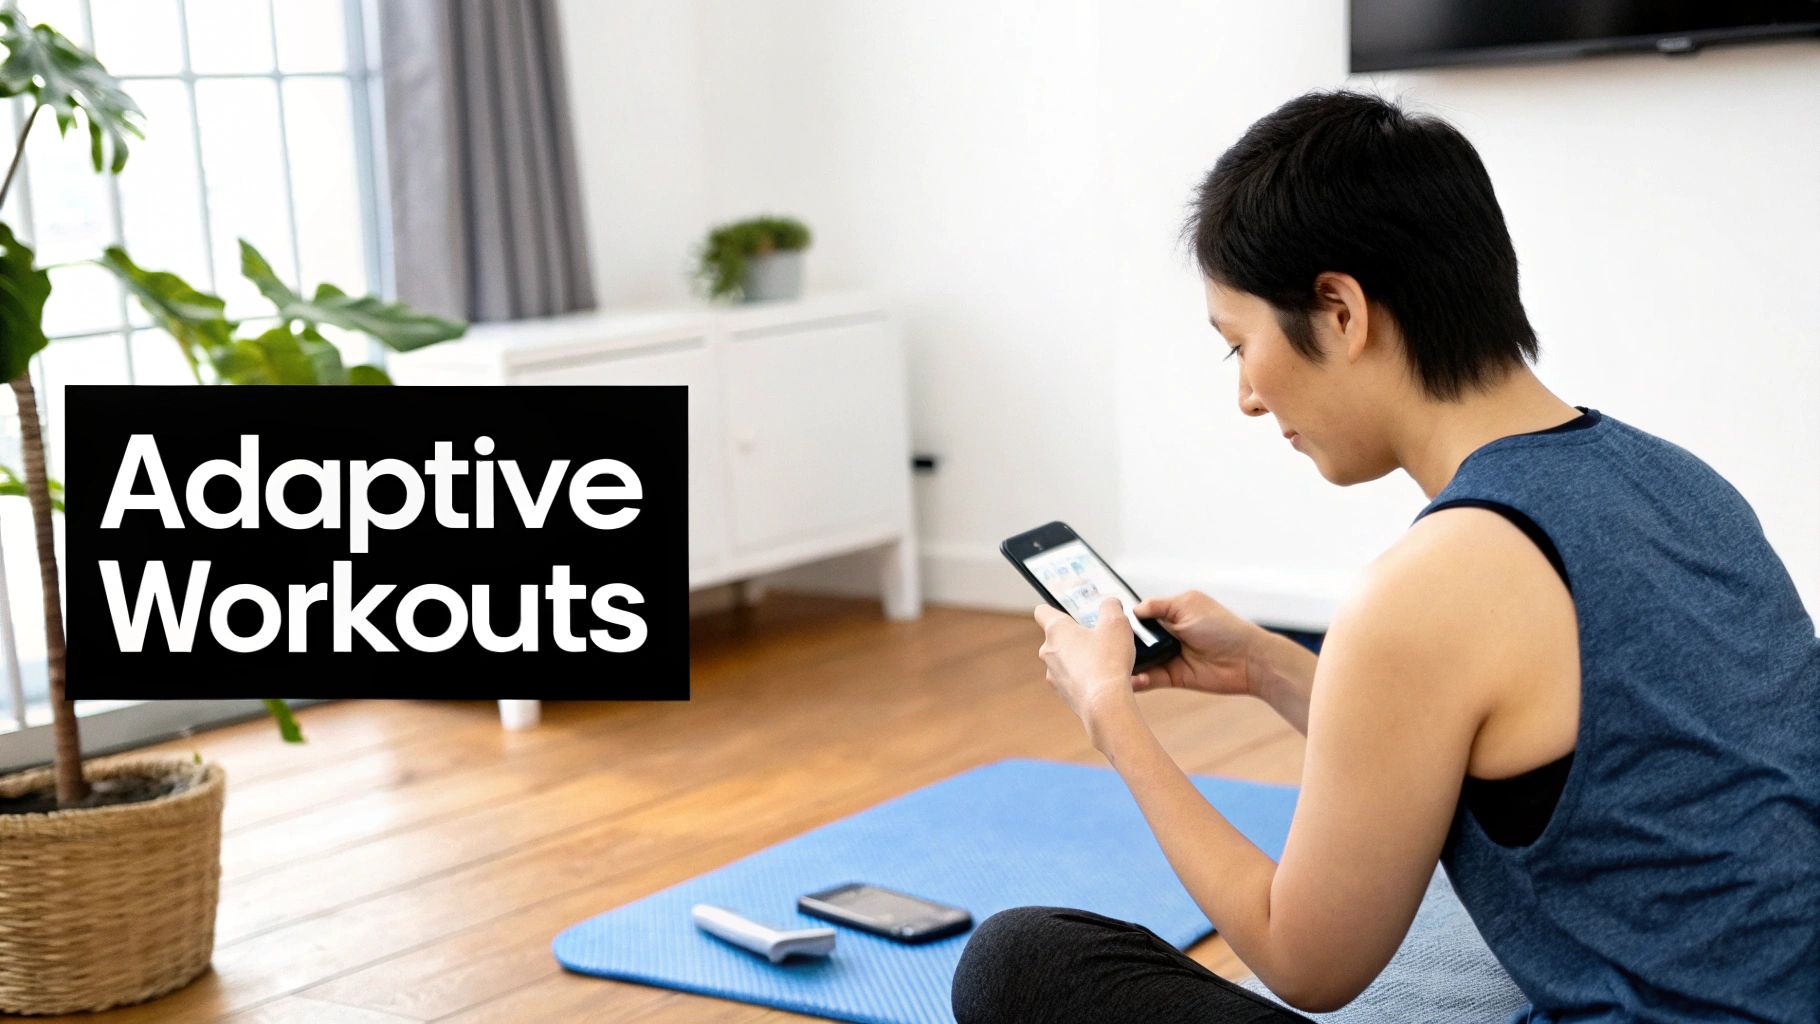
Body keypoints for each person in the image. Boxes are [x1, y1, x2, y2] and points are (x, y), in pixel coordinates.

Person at [951, 89, 1819, 1023]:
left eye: (1239, 345)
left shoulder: (1429, 586)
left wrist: (1111, 715)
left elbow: (1309, 962)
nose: (1246, 395)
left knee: (1018, 963)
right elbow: (1531, 756)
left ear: (1339, 311)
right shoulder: (1678, 480)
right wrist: (1267, 668)